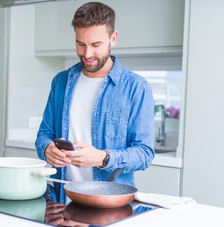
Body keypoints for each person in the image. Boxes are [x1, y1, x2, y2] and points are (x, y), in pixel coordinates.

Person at [35, 2, 155, 203]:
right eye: (80, 44)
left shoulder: (137, 88)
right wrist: (47, 149)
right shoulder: (60, 82)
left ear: (113, 39)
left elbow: (144, 153)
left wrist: (103, 158)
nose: (87, 53)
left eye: (96, 45)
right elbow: (44, 135)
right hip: (60, 200)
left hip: (108, 204)